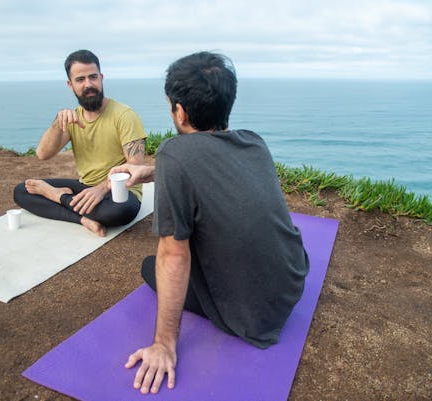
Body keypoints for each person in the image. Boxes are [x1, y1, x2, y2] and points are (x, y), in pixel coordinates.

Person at [111, 51, 310, 394]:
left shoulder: (176, 152)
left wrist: (163, 343)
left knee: (150, 267)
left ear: (180, 111)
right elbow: (207, 164)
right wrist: (150, 171)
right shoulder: (253, 141)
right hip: (291, 283)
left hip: (253, 317)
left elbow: (174, 255)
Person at [13, 50, 147, 237]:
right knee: (21, 191)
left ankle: (58, 197)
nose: (88, 84)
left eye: (93, 77)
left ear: (101, 78)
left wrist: (101, 189)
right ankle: (82, 218)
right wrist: (57, 123)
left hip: (119, 192)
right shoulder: (71, 119)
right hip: (84, 187)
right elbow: (42, 154)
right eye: (80, 79)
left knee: (119, 213)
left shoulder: (124, 115)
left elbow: (136, 166)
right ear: (70, 84)